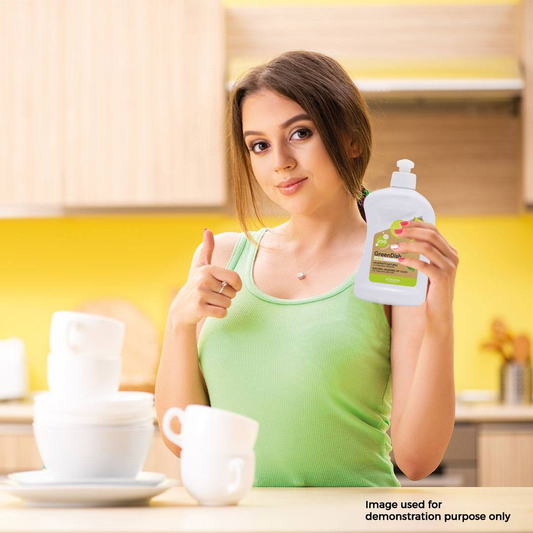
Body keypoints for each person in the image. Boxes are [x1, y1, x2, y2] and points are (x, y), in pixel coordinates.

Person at [155, 50, 459, 487]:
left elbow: (416, 460)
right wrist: (179, 323)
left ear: (351, 139)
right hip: (237, 520)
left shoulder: (388, 259)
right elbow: (183, 439)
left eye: (300, 133)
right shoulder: (221, 256)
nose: (279, 160)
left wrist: (439, 319)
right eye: (258, 144)